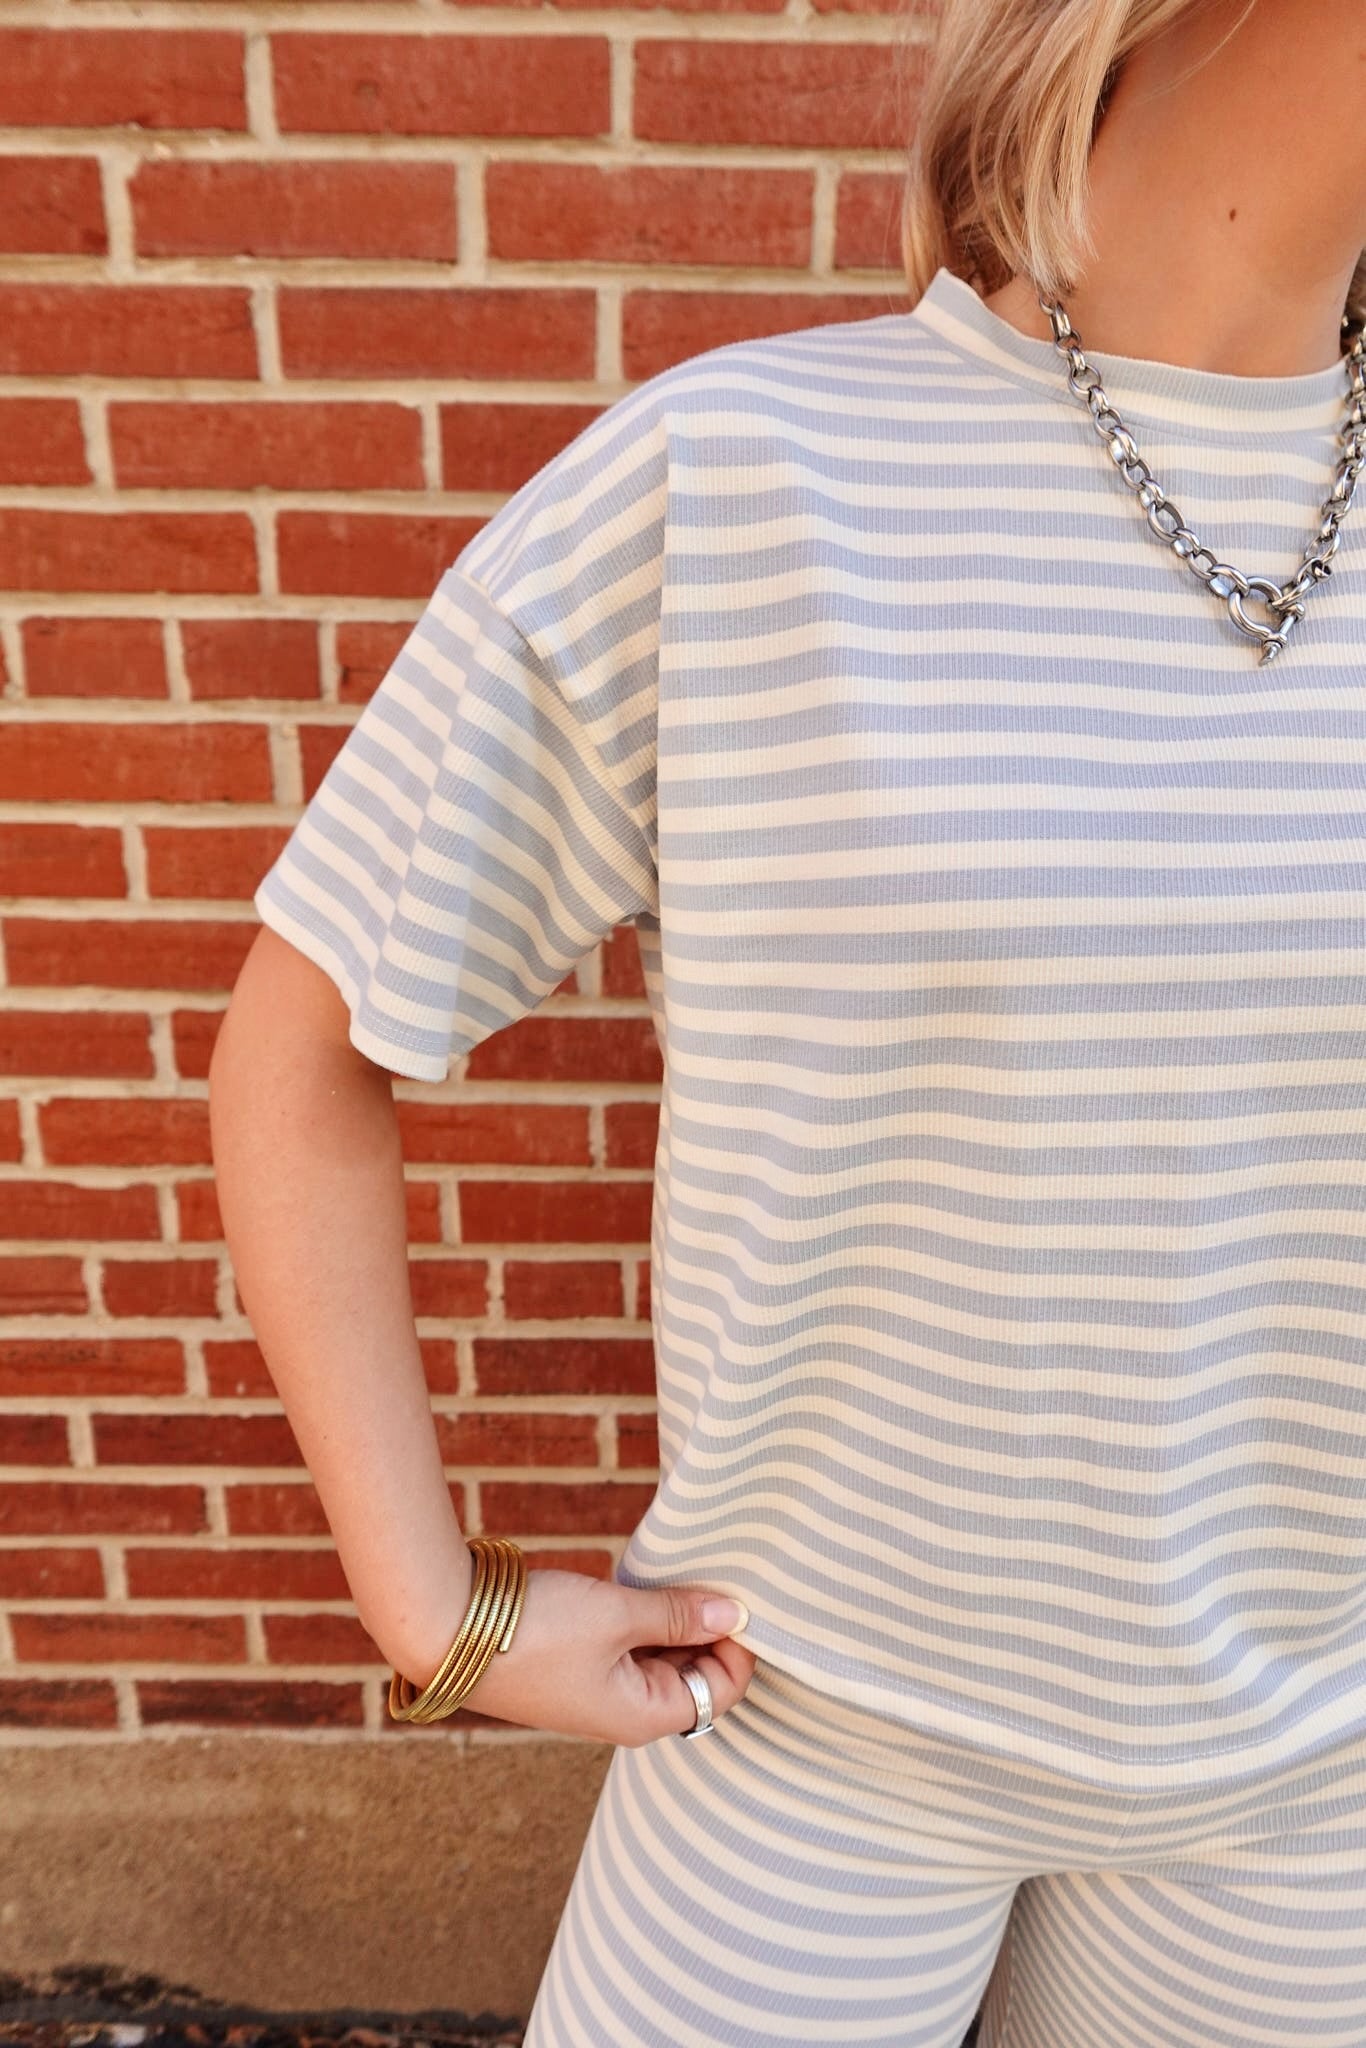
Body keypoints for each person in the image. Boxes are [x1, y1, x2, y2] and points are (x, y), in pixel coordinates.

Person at [208, 0, 1366, 2038]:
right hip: (802, 1740)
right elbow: (305, 1042)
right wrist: (435, 1606)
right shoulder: (743, 478)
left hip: (1302, 1787)